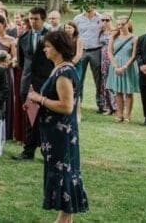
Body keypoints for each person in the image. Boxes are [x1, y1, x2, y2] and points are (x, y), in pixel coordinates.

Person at [25, 30, 90, 221]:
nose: (45, 50)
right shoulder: (59, 68)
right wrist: (34, 103)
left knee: (63, 172)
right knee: (62, 172)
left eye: (48, 47)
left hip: (61, 134)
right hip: (53, 132)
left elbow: (67, 106)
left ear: (59, 49)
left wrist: (40, 99)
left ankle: (63, 219)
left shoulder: (64, 72)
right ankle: (65, 219)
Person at [12, 7, 54, 161]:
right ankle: (28, 151)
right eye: (30, 19)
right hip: (28, 82)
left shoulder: (52, 36)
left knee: (46, 117)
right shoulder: (23, 38)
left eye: (36, 19)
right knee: (30, 116)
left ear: (43, 19)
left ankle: (46, 150)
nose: (33, 21)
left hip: (46, 82)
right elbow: (22, 63)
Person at [0, 16, 22, 142]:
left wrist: (9, 62)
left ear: (4, 25)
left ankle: (8, 131)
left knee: (7, 99)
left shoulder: (11, 40)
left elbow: (15, 57)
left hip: (7, 72)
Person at [73, 3, 107, 113]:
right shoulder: (77, 18)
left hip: (96, 50)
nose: (88, 6)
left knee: (99, 79)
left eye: (91, 3)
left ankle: (101, 104)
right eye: (86, 3)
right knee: (79, 77)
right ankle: (78, 102)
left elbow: (108, 31)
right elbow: (74, 34)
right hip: (81, 51)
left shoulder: (101, 18)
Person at [106, 17, 139, 123]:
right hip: (115, 65)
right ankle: (119, 114)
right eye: (118, 24)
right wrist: (116, 66)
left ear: (128, 24)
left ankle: (127, 115)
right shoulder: (113, 37)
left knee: (128, 92)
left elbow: (134, 55)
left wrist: (125, 66)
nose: (120, 26)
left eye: (122, 24)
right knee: (118, 91)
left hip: (128, 66)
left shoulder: (134, 38)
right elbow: (110, 53)